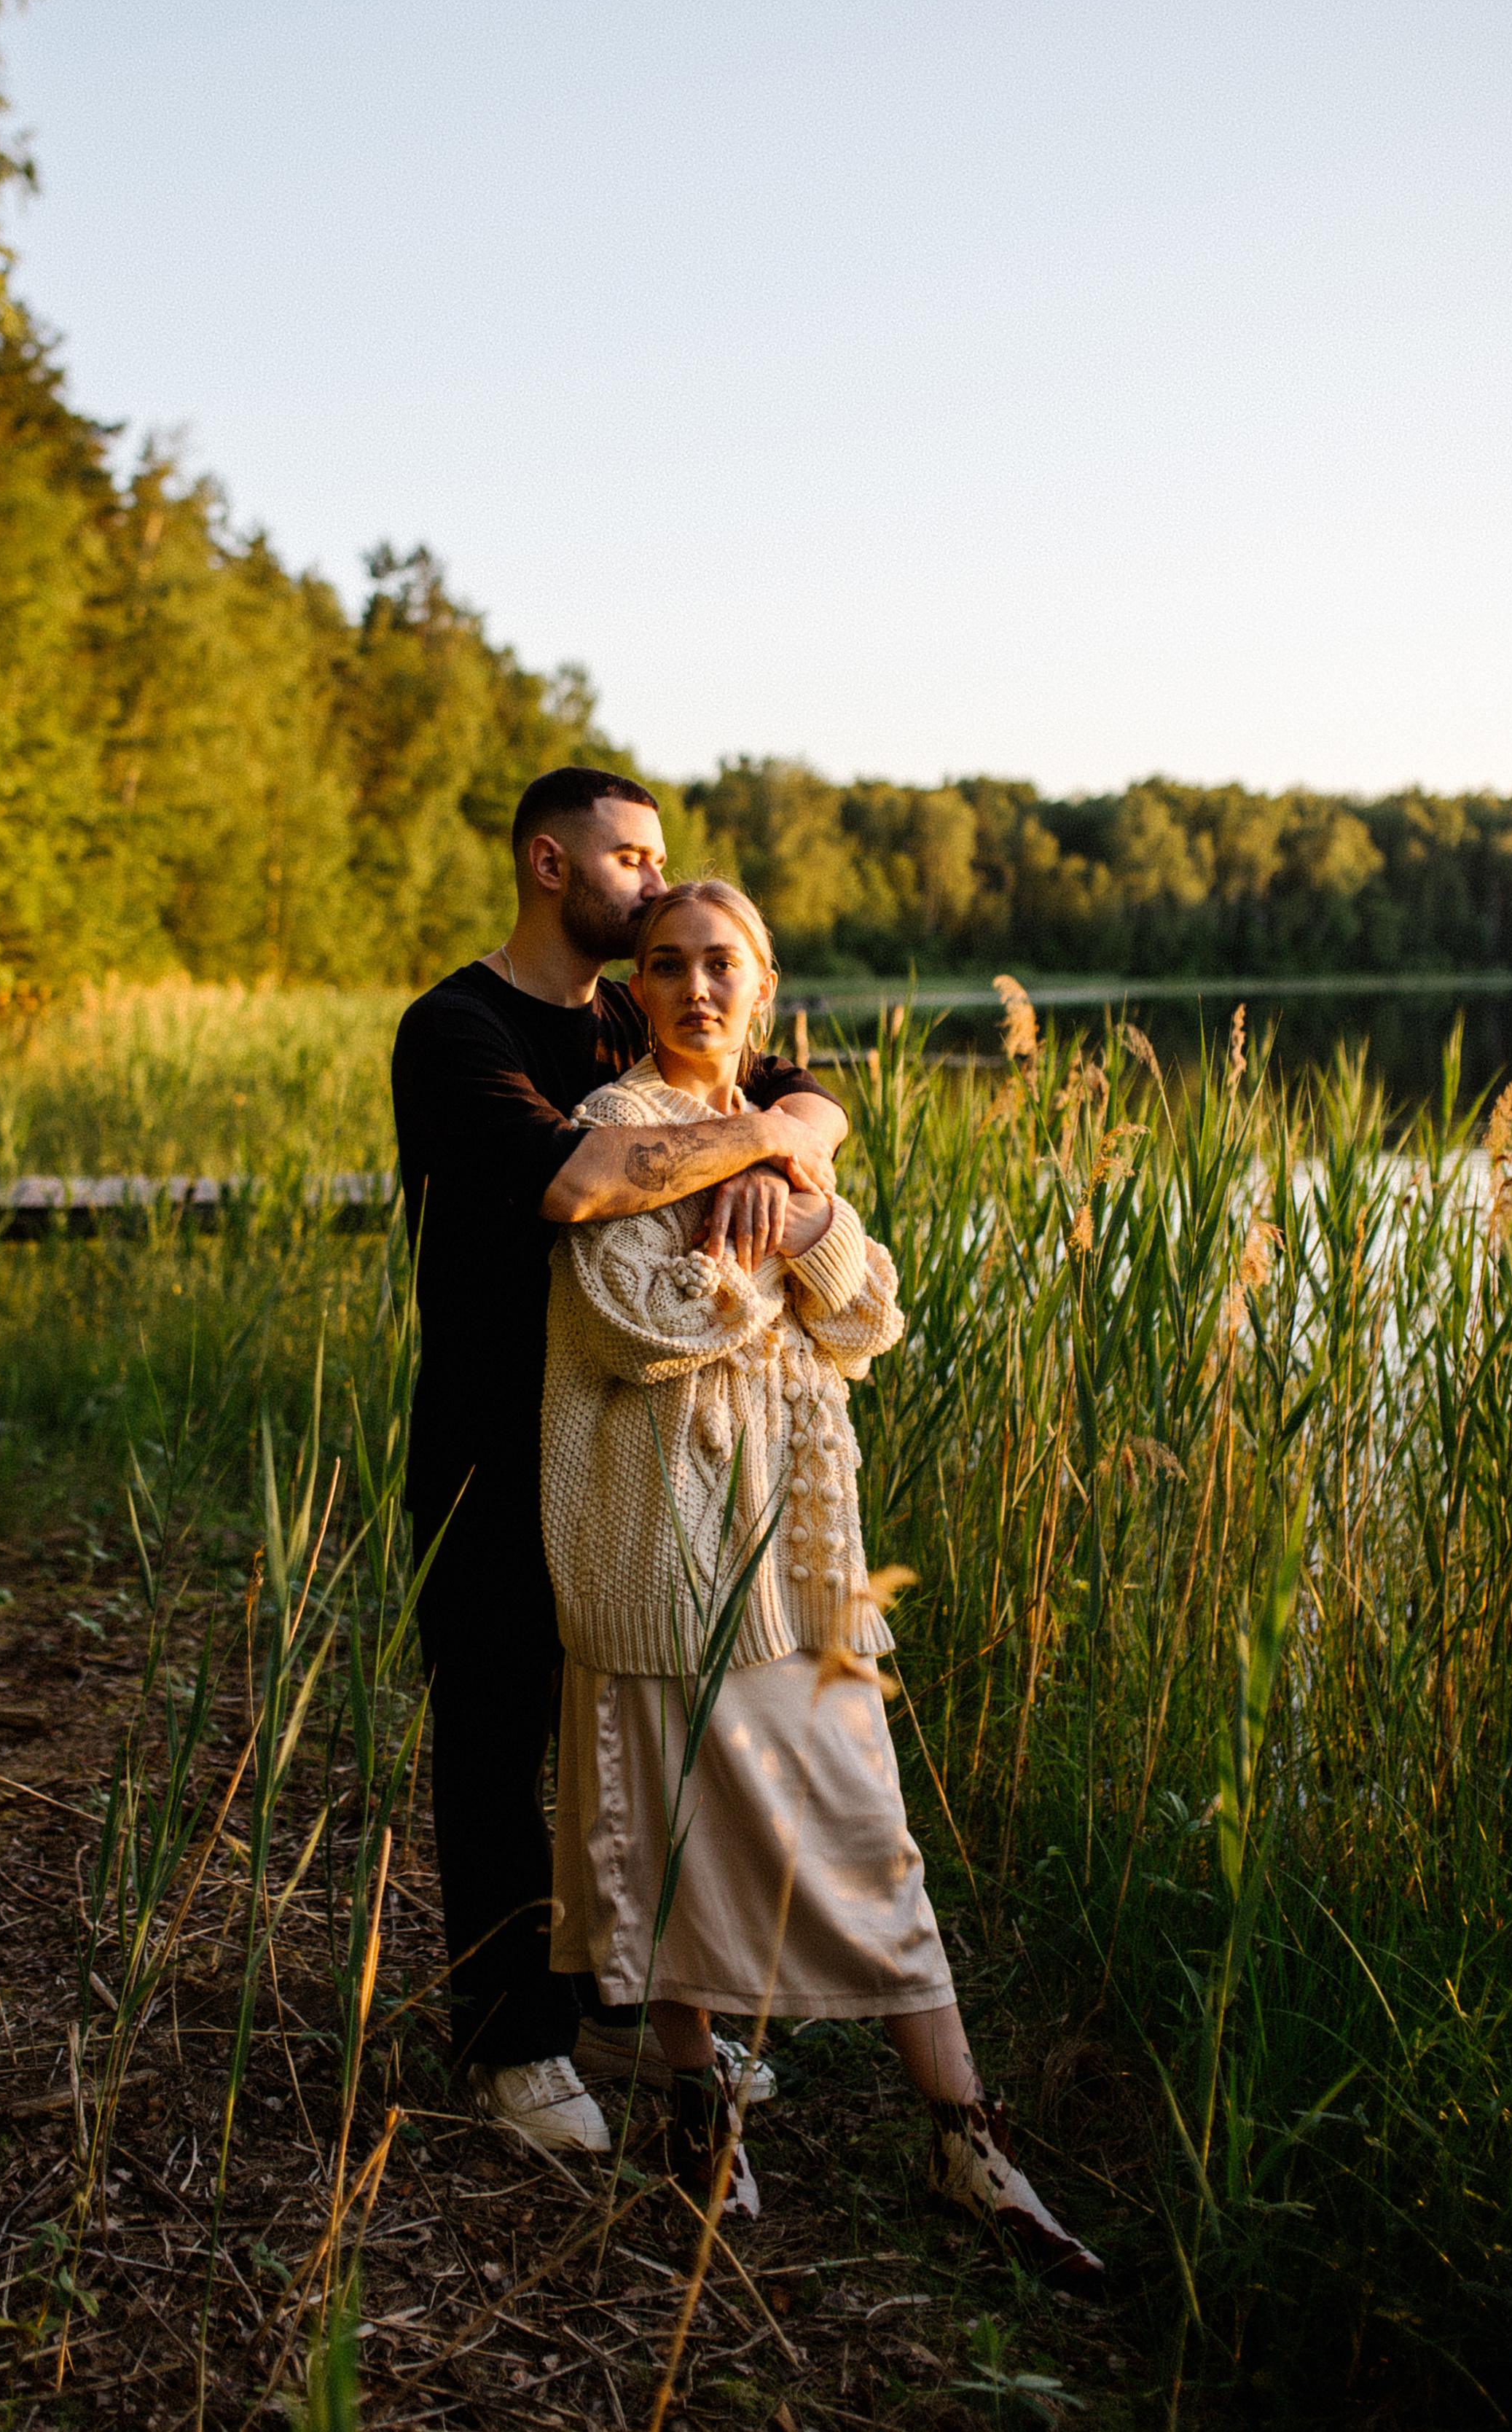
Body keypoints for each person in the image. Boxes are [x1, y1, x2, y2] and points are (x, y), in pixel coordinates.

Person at [540, 877, 1104, 2283]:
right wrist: (744, 1255)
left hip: (800, 1554)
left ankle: (965, 2134)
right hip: (664, 1537)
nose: (694, 989)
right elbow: (626, 1325)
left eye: (721, 964)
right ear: (640, 992)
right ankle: (696, 2105)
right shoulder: (616, 1128)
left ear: (764, 986)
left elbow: (868, 1315)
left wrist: (799, 1233)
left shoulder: (793, 1141)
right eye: (665, 966)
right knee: (661, 1827)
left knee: (870, 1837)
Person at [391, 769, 849, 2155]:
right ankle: (509, 2045)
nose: (657, 886)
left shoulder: (628, 1011)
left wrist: (789, 1146)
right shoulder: (457, 1027)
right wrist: (756, 1142)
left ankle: (609, 2000)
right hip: (487, 1435)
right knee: (494, 1737)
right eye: (633, 863)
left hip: (622, 1453)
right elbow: (576, 1182)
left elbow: (804, 1094)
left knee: (619, 1732)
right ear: (550, 862)